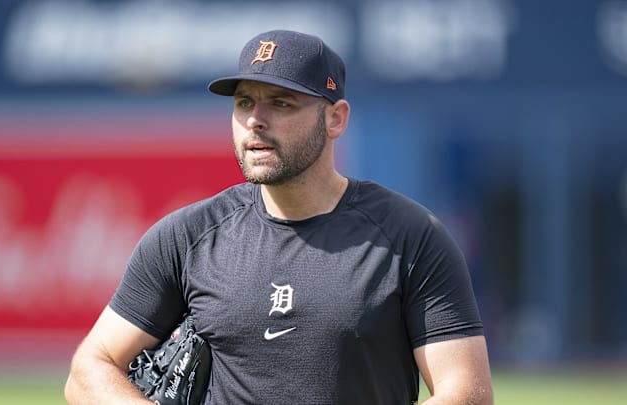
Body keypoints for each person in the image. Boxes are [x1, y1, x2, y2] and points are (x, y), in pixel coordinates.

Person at [64, 29, 493, 404]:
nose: (255, 120)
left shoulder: (409, 237)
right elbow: (90, 369)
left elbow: (467, 394)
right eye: (244, 102)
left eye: (281, 103)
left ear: (335, 118)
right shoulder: (186, 238)